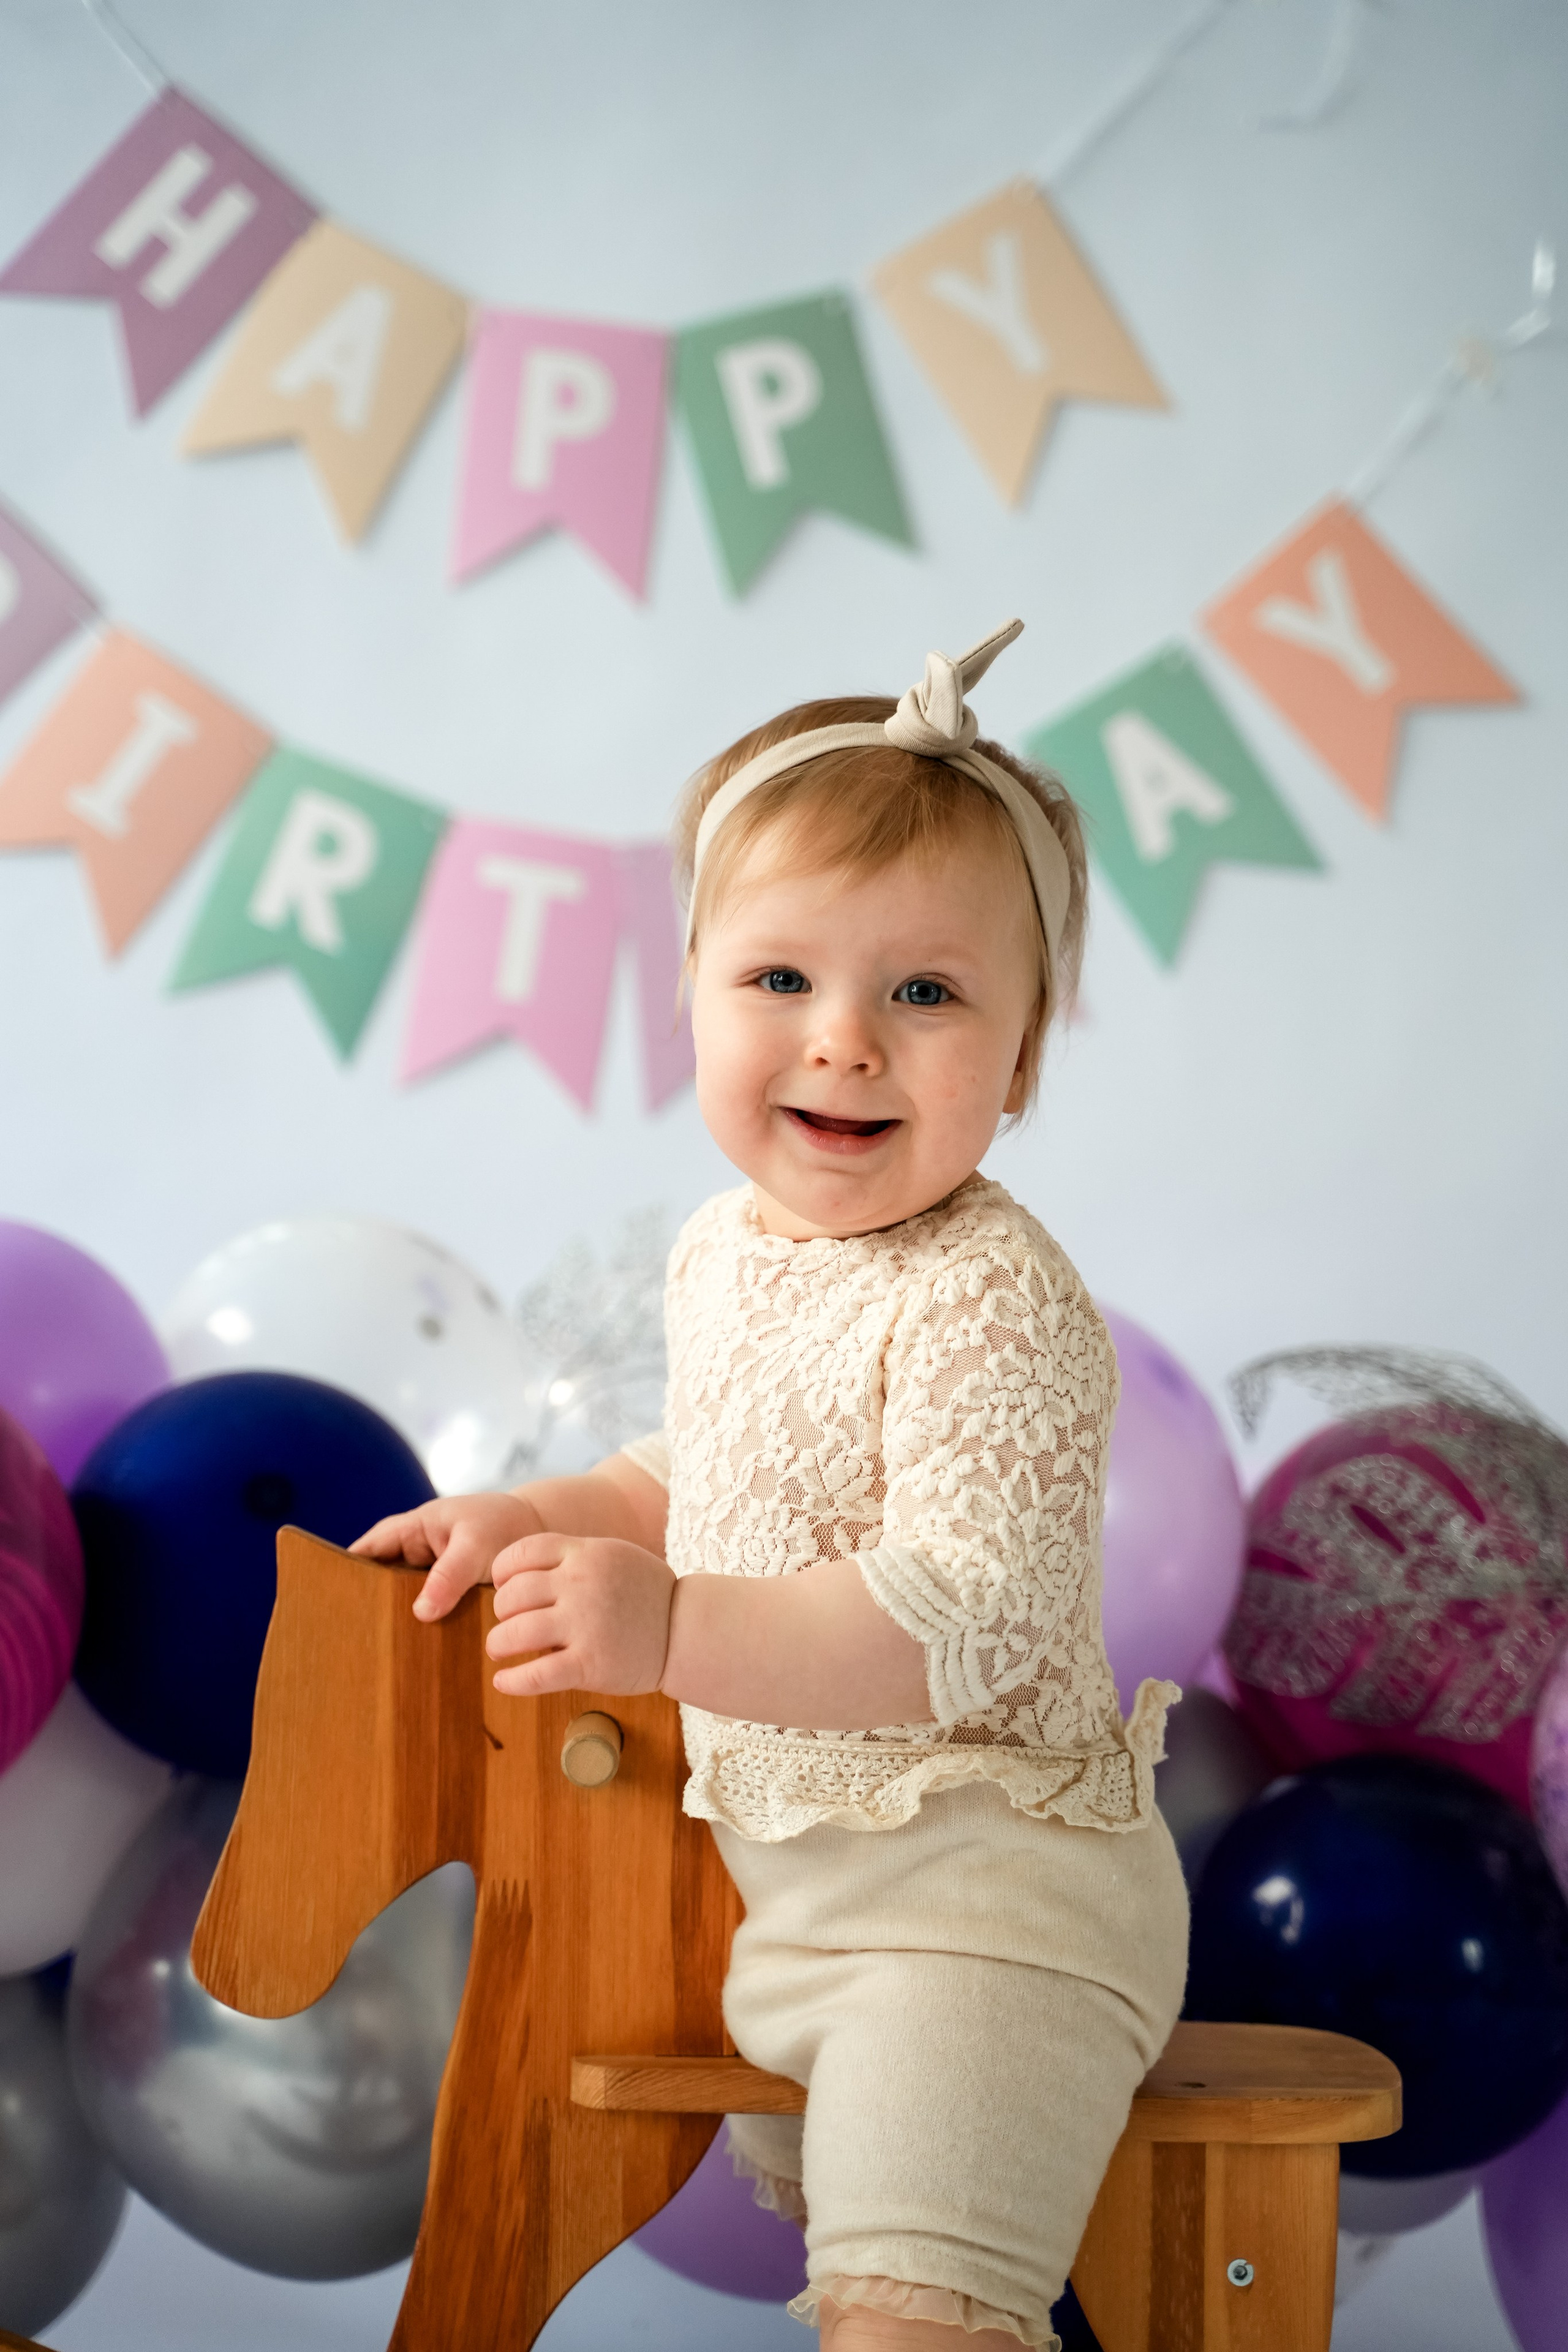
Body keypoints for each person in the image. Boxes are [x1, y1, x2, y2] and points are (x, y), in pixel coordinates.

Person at [354, 620, 1189, 2352]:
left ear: (1025, 1054)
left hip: (990, 1926)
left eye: (927, 993)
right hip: (797, 1918)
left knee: (913, 2322)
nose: (845, 1042)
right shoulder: (725, 1253)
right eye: (781, 978)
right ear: (690, 993)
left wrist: (669, 1631)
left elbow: (955, 1618)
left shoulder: (993, 1296)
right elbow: (716, 1481)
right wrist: (546, 1515)